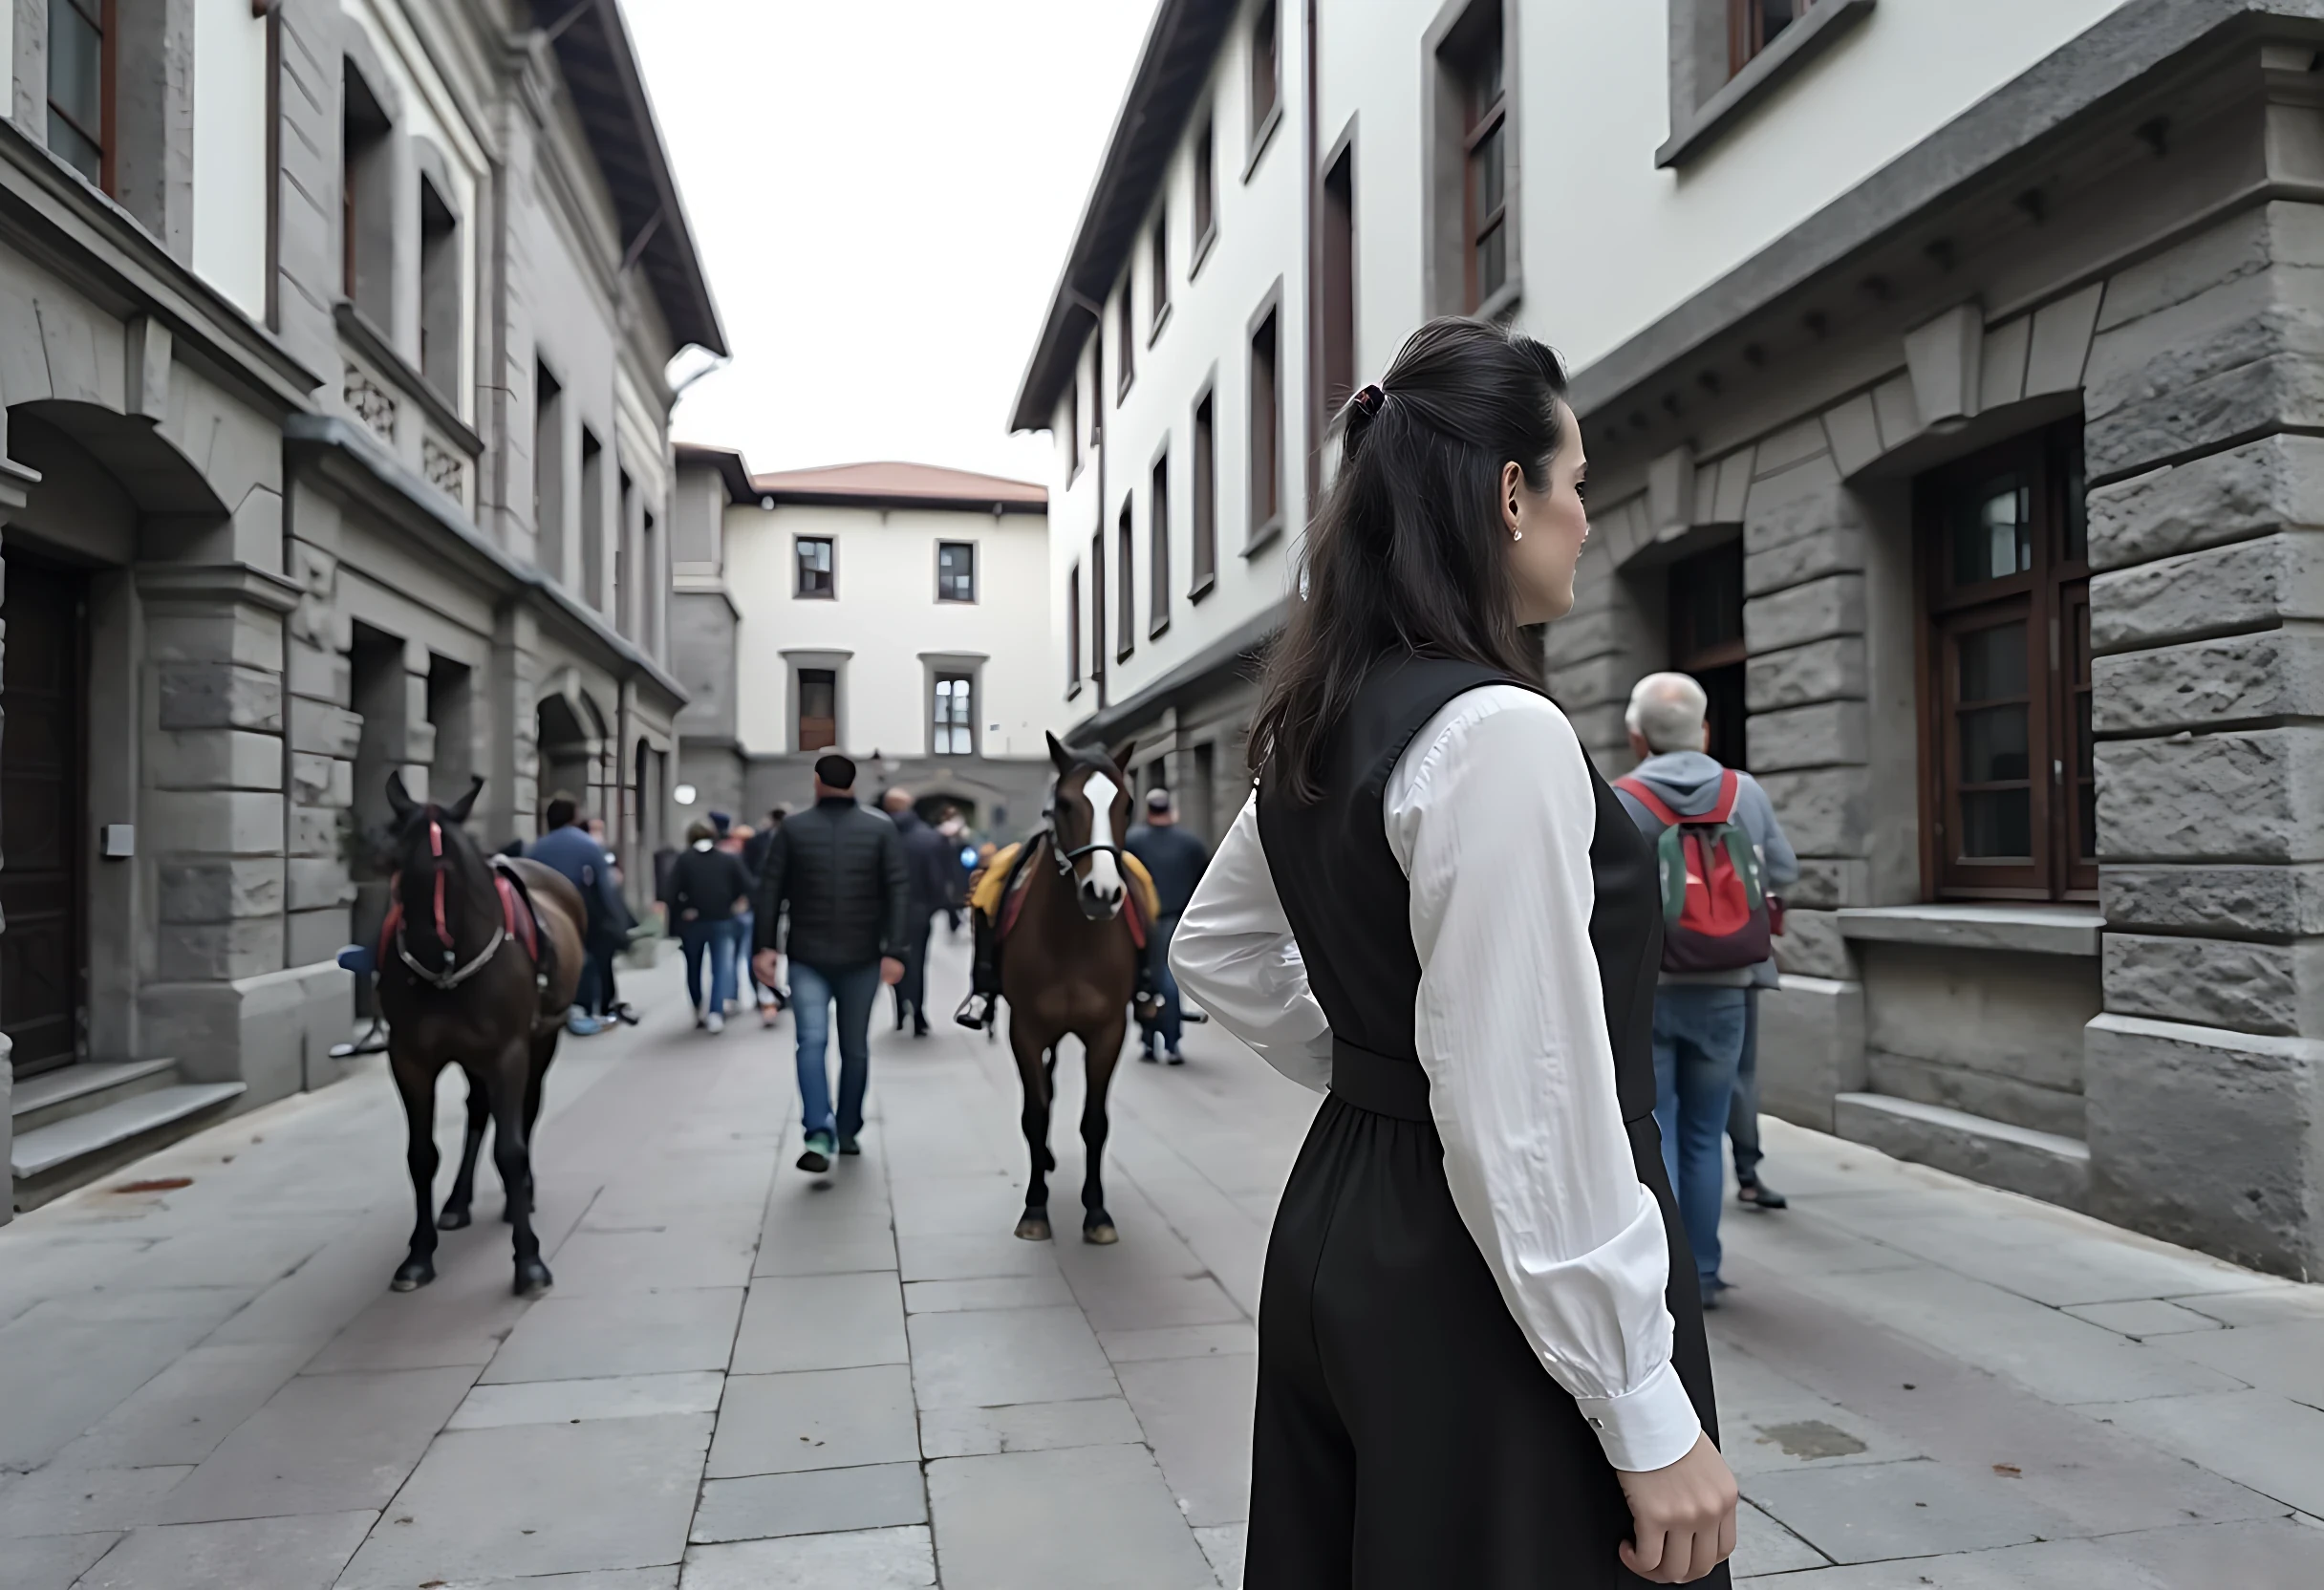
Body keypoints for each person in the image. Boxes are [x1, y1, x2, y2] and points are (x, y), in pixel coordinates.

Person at [1169, 319, 1736, 1587]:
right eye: (1578, 481)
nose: (1588, 516)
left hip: (1343, 1224)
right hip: (1478, 1281)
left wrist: (1363, 1069)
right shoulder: (1496, 732)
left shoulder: (1321, 715)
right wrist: (1642, 1405)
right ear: (1510, 491)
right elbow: (1520, 1097)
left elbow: (1215, 947)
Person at [1615, 673, 1799, 1305]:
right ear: (1705, 731)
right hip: (1728, 988)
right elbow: (1785, 871)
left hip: (1650, 993)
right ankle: (1706, 1270)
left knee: (1656, 1130)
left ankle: (1661, 1274)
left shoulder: (1621, 799)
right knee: (1705, 1130)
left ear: (1637, 739)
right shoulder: (1743, 791)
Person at [751, 753, 909, 1174]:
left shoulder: (792, 829)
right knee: (855, 1048)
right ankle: (848, 1128)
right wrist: (896, 951)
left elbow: (770, 890)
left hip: (808, 956)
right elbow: (898, 892)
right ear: (854, 784)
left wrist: (764, 946)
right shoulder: (880, 829)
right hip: (862, 957)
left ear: (817, 782)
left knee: (812, 1042)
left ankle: (817, 1130)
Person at [528, 796, 631, 1036]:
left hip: (543, 914)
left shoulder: (537, 847)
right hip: (582, 914)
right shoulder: (587, 845)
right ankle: (586, 1009)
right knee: (590, 962)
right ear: (573, 817)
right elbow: (604, 888)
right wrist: (617, 920)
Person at [1124, 788, 1209, 1064]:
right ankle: (1172, 1043)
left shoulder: (1132, 842)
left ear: (1148, 810)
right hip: (1179, 920)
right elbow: (1204, 881)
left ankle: (1150, 1041)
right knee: (1169, 980)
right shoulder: (1191, 844)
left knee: (1147, 980)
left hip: (1140, 921)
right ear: (1169, 809)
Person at [667, 819, 754, 1031]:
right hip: (722, 918)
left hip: (693, 922)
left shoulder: (683, 860)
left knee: (693, 967)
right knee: (721, 967)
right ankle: (716, 1011)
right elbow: (748, 885)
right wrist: (735, 903)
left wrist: (682, 910)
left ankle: (698, 1007)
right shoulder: (728, 859)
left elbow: (670, 891)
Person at [881, 788, 955, 1038]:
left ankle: (900, 1009)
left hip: (885, 911)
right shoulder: (930, 838)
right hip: (918, 911)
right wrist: (935, 906)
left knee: (892, 958)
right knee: (917, 961)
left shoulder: (880, 834)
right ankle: (919, 1012)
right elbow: (938, 878)